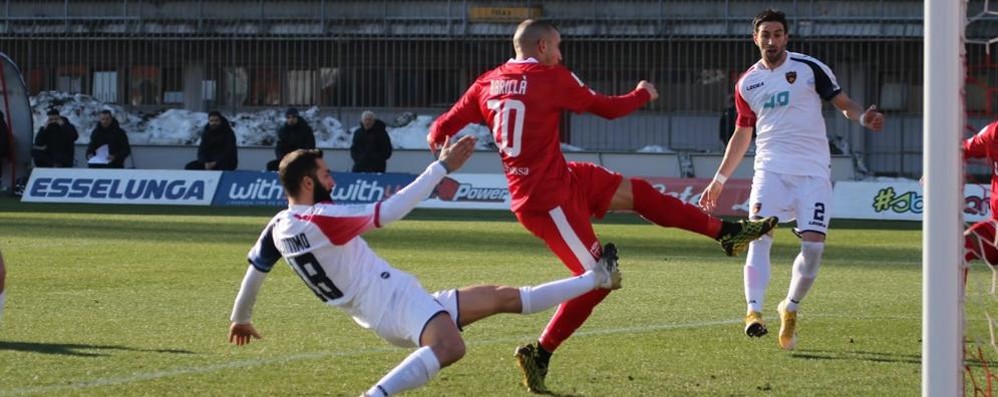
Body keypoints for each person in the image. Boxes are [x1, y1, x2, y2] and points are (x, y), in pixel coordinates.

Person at [427, 19, 778, 393]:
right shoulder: (551, 77)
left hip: (562, 177)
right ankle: (540, 353)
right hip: (545, 201)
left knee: (640, 194)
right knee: (598, 280)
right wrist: (642, 93)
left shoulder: (487, 82)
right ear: (543, 46)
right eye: (558, 46)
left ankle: (728, 234)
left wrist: (442, 155)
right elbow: (608, 109)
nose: (561, 54)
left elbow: (439, 129)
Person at [227, 137, 622, 397]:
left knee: (503, 297)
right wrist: (441, 167)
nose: (333, 178)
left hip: (389, 305)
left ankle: (596, 278)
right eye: (326, 173)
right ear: (308, 183)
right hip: (393, 302)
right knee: (451, 346)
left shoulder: (279, 226)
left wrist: (240, 317)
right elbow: (391, 210)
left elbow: (256, 268)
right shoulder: (319, 218)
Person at [698, 9, 885, 351]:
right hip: (770, 171)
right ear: (755, 39)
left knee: (813, 248)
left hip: (813, 173)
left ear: (786, 37)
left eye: (778, 34)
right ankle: (753, 312)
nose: (772, 40)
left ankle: (791, 307)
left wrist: (862, 118)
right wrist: (720, 179)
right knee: (759, 237)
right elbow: (742, 134)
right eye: (765, 34)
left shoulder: (809, 68)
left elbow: (843, 103)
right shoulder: (747, 83)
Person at [266, 107, 315, 171]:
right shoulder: (283, 131)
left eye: (293, 117)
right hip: (287, 160)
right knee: (271, 166)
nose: (291, 119)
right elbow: (279, 148)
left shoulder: (306, 130)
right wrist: (283, 158)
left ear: (297, 117)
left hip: (302, 160)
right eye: (288, 117)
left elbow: (310, 147)